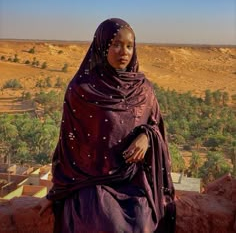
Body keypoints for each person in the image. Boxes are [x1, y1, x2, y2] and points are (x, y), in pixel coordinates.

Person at [38, 18, 176, 233]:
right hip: (90, 179)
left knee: (141, 222)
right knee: (107, 223)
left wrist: (147, 137)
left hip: (133, 179)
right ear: (102, 46)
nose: (124, 52)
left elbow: (155, 124)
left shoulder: (143, 89)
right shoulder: (82, 89)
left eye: (130, 46)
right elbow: (70, 143)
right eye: (116, 44)